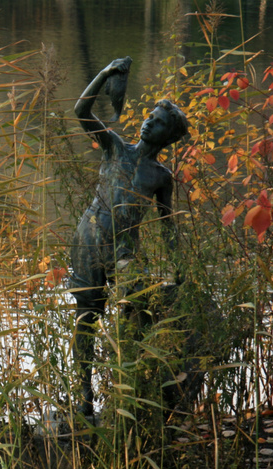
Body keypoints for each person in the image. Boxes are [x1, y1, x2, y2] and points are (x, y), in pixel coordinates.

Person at [69, 57, 190, 421]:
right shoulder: (115, 147)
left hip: (124, 249)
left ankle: (130, 390)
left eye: (158, 122)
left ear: (168, 137)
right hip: (90, 237)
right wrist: (106, 73)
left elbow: (168, 226)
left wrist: (180, 268)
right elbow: (81, 110)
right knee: (86, 318)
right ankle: (86, 397)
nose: (148, 122)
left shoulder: (160, 176)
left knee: (136, 304)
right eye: (149, 116)